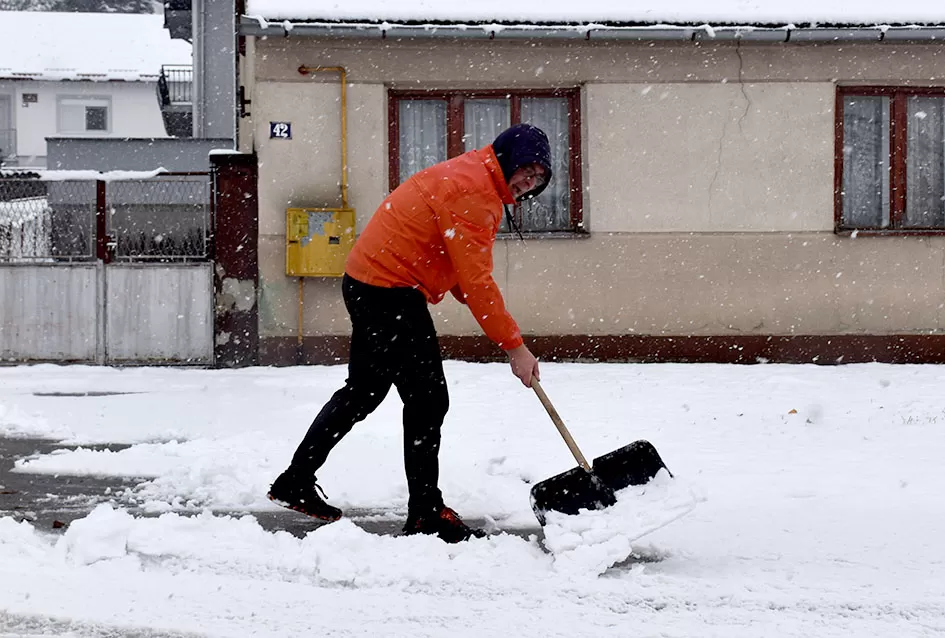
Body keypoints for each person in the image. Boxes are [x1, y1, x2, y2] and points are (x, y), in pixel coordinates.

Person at [268, 123, 553, 543]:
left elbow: (458, 265)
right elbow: (476, 282)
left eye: (540, 178)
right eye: (527, 169)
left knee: (364, 392)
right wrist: (514, 347)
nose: (530, 181)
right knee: (427, 400)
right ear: (508, 158)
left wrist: (479, 306)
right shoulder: (474, 193)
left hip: (371, 284)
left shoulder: (476, 177)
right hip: (389, 292)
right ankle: (425, 512)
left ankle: (296, 480)